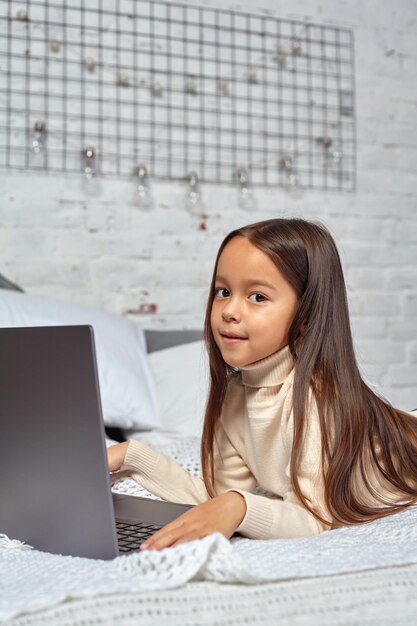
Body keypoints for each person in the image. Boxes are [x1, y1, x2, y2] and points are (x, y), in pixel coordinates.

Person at [108, 218, 417, 550]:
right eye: (223, 292)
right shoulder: (235, 397)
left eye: (257, 296)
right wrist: (133, 456)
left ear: (306, 316)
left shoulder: (317, 398)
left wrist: (240, 506)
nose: (229, 311)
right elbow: (216, 501)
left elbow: (314, 519)